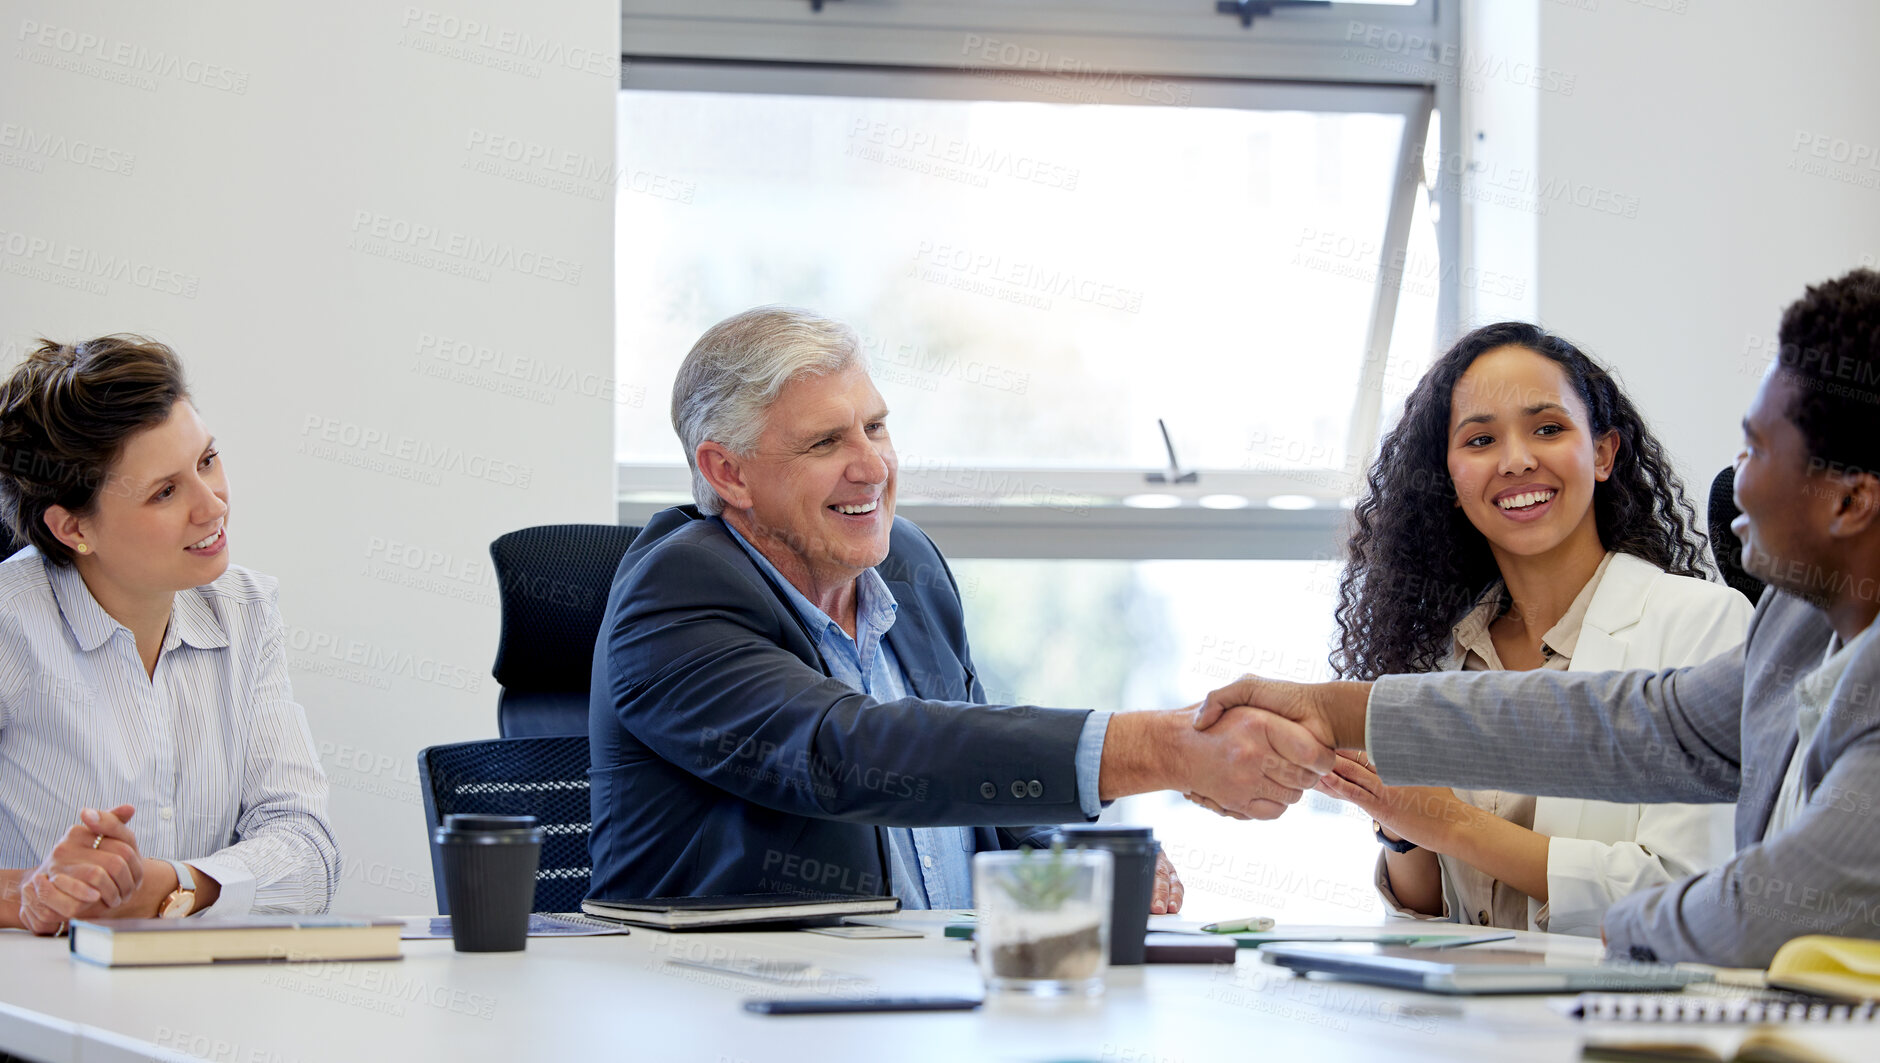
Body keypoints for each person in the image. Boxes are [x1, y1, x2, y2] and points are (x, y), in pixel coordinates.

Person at [1195, 268, 1880, 967]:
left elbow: (1770, 903)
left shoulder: (1722, 622)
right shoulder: (1794, 623)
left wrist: (1618, 921)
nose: (1732, 483)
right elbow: (1627, 724)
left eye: (1757, 449)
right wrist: (1335, 712)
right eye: (1480, 440)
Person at [589, 306, 1325, 910]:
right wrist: (1160, 749)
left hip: (930, 1001)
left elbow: (967, 778)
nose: (873, 466)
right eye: (825, 441)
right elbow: (852, 753)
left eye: (876, 426)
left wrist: (1077, 863)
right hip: (740, 1019)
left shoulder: (907, 566)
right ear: (729, 472)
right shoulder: (675, 591)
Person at [1320, 322, 1751, 936]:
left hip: (1621, 1020)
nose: (1517, 460)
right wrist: (1399, 823)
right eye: (1480, 439)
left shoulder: (1704, 624)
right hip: (1465, 1022)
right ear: (1448, 480)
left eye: (1548, 429)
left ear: (1602, 454)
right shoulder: (1442, 651)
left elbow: (1687, 889)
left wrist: (1446, 820)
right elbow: (1430, 917)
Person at [0, 335, 339, 935]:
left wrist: (174, 886)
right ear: (74, 527)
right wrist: (28, 893)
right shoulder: (11, 624)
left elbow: (309, 852)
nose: (212, 507)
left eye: (207, 461)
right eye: (165, 492)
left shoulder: (246, 608)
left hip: (207, 996)